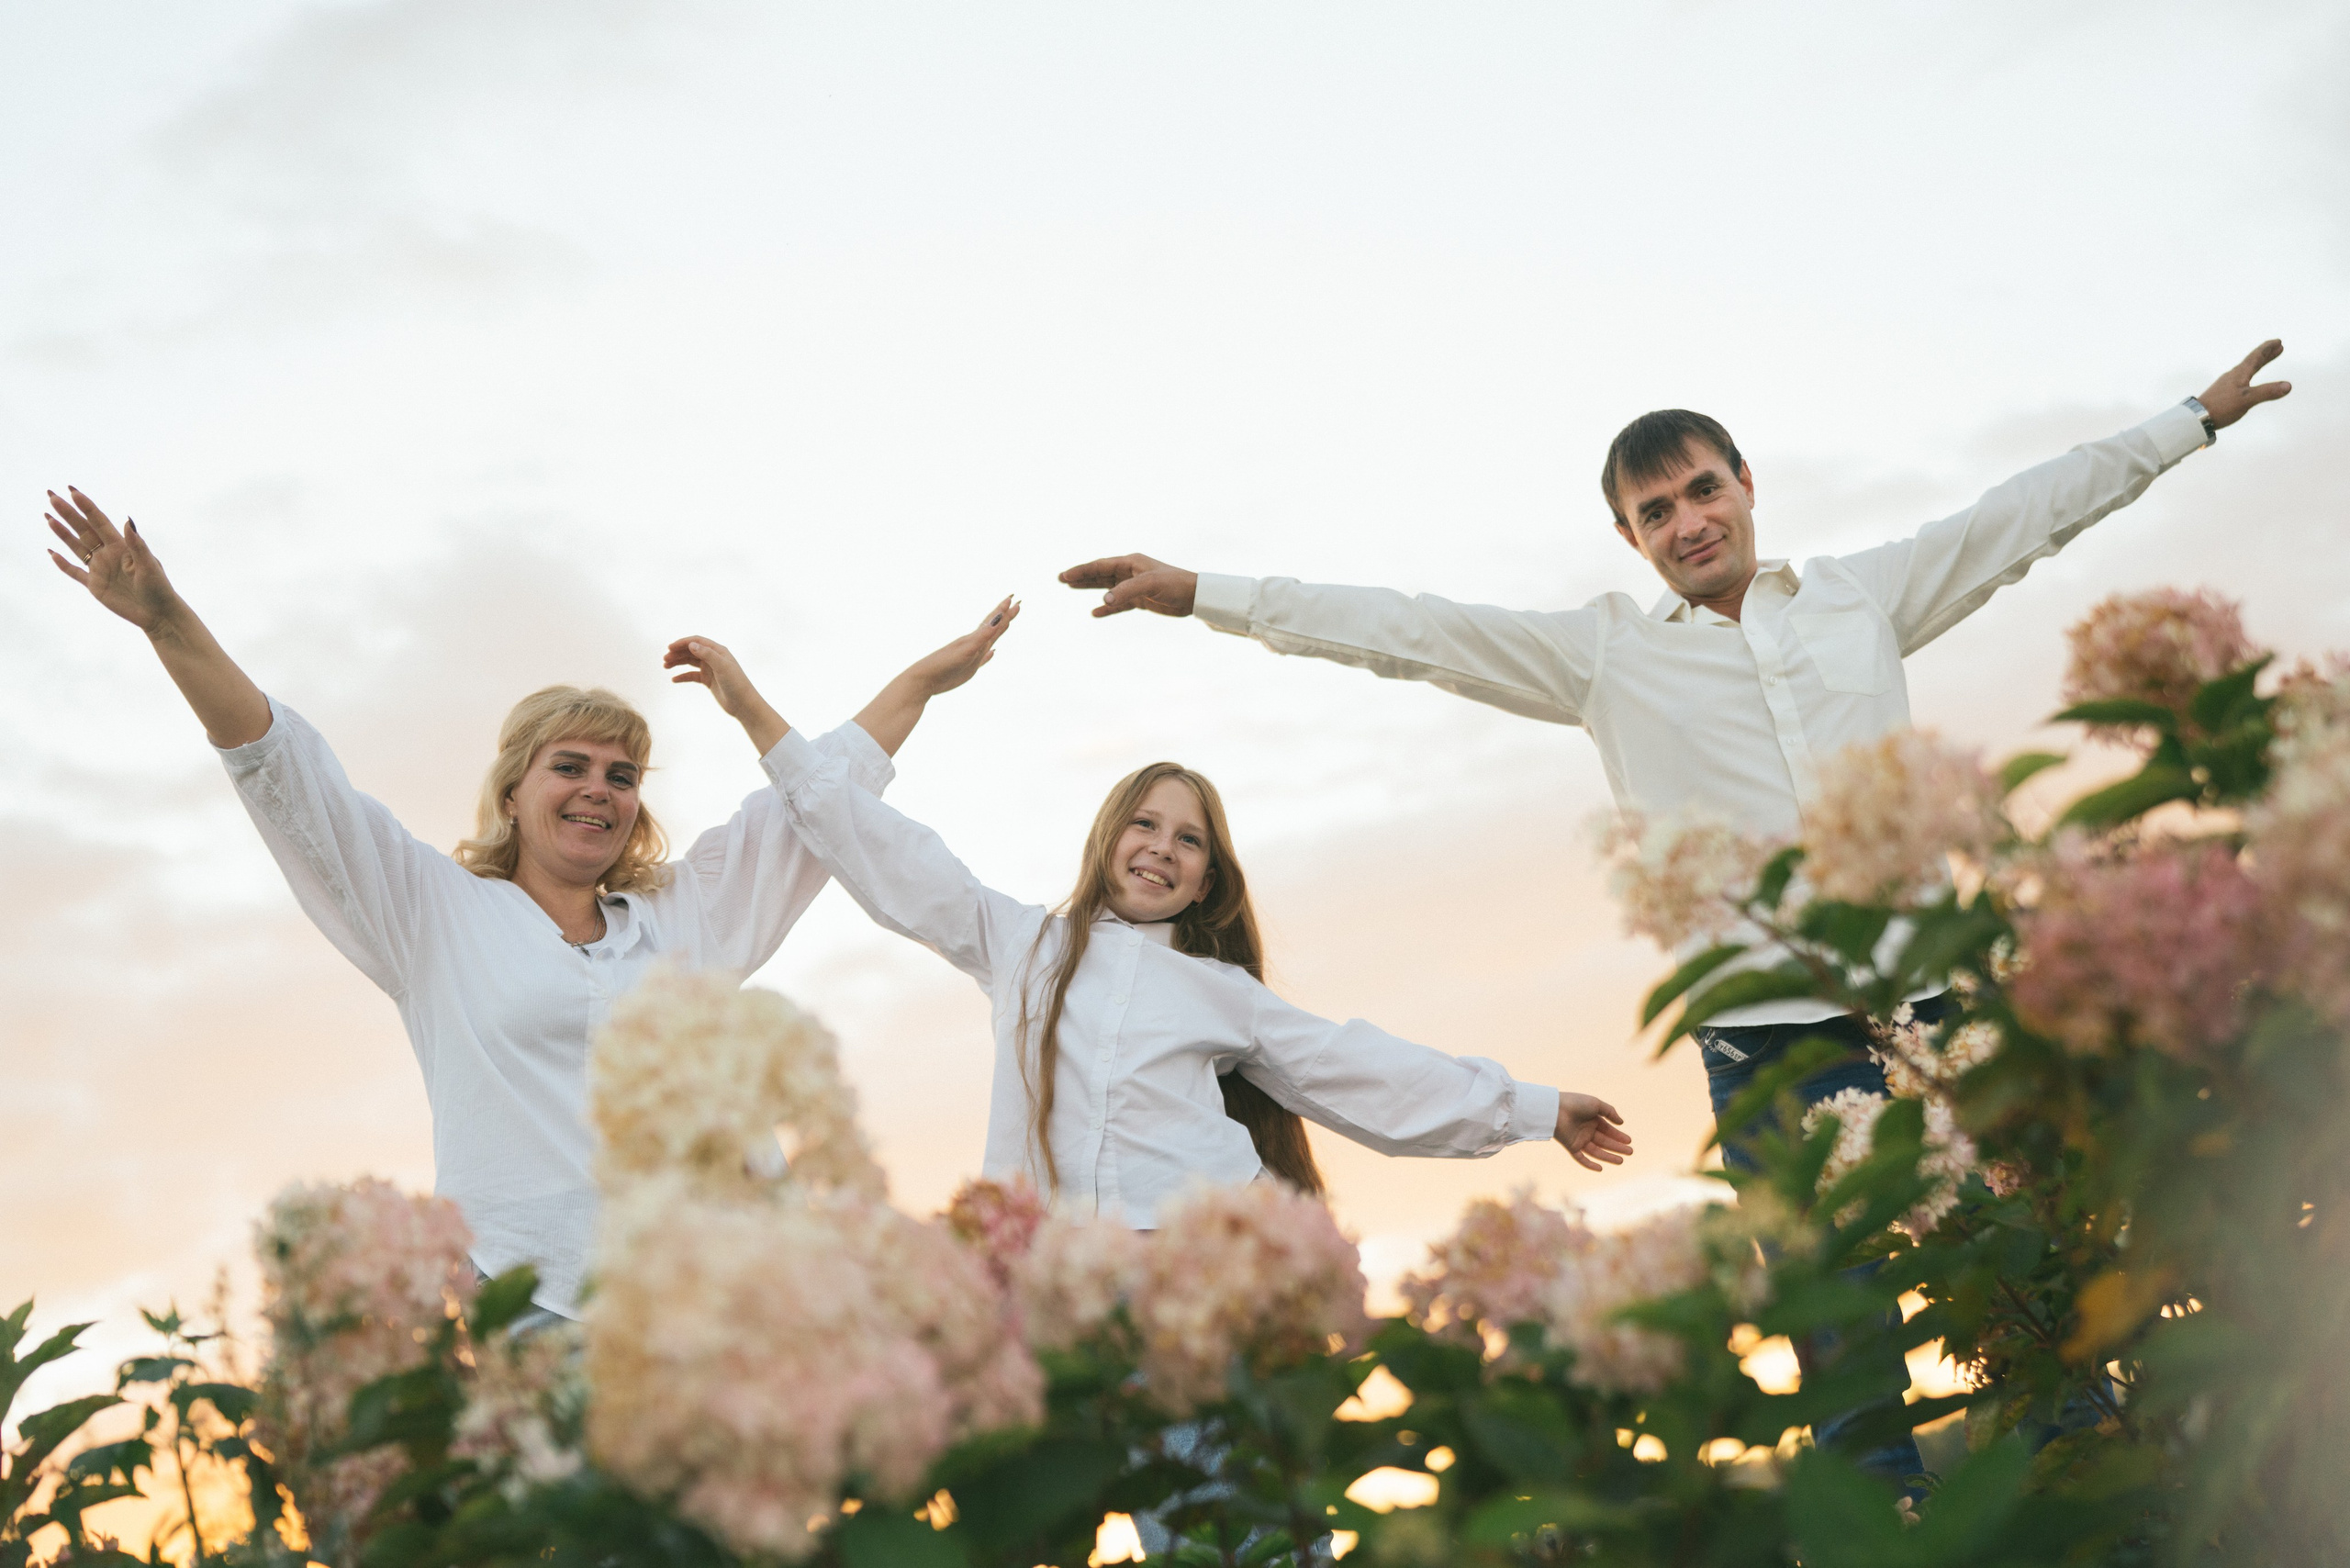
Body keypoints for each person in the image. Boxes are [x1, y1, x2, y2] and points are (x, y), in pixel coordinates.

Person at [1057, 339, 2292, 1474]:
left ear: (1747, 483)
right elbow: (1409, 632)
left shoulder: (1866, 598)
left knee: (2042, 1290)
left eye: (1703, 490)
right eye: (1656, 513)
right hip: (1772, 1051)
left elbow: (2026, 513)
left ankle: (2111, 1522)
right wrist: (1203, 591)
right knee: (1842, 1347)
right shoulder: (1608, 657)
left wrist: (2193, 421)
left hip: (1937, 1006)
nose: (1688, 522)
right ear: (1629, 537)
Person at [43, 486, 1013, 1319]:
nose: (600, 787)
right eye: (572, 766)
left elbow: (820, 800)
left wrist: (923, 682)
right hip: (538, 1303)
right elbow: (285, 773)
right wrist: (167, 618)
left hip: (725, 1308)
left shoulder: (687, 916)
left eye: (622, 773)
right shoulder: (431, 912)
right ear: (513, 792)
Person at [761, 708, 1634, 1216]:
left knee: (1230, 1531)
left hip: (1194, 1272)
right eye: (1144, 824)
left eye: (1187, 841)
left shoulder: (1226, 996)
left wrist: (1533, 1108)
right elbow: (888, 853)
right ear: (1108, 836)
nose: (1159, 849)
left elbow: (1361, 1071)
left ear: (1207, 880)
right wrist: (758, 717)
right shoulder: (1020, 943)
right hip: (1051, 1278)